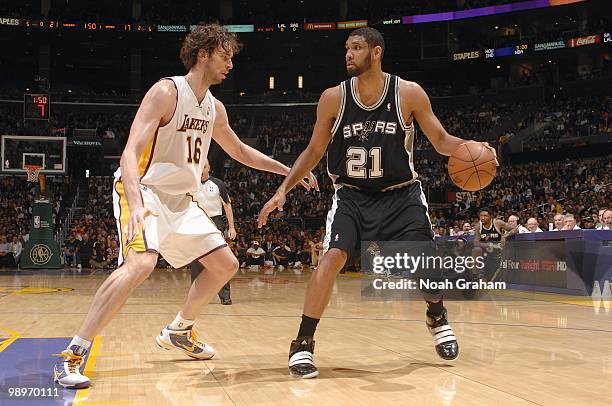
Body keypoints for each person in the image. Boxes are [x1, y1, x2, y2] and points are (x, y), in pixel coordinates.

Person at [53, 23, 316, 389]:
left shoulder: (214, 108)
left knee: (225, 264)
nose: (231, 64)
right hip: (145, 192)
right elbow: (130, 153)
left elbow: (239, 151)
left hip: (181, 201)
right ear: (203, 54)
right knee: (142, 263)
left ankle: (180, 329)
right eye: (225, 56)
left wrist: (288, 170)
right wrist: (135, 202)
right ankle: (73, 354)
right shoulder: (166, 92)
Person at [258, 27, 498, 379]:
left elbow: (443, 140)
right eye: (347, 48)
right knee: (331, 259)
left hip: (401, 195)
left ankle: (437, 315)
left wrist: (475, 146)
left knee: (425, 261)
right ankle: (303, 343)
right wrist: (283, 190)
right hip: (352, 195)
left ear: (376, 52)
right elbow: (313, 151)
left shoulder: (408, 93)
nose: (348, 54)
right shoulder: (333, 98)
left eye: (356, 48)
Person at [191, 159, 236, 305]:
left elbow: (227, 206)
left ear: (209, 168)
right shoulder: (190, 185)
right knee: (197, 261)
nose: (202, 169)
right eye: (199, 166)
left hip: (216, 223)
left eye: (204, 166)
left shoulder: (219, 184)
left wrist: (232, 227)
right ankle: (196, 297)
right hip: (197, 222)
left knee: (222, 260)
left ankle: (225, 296)